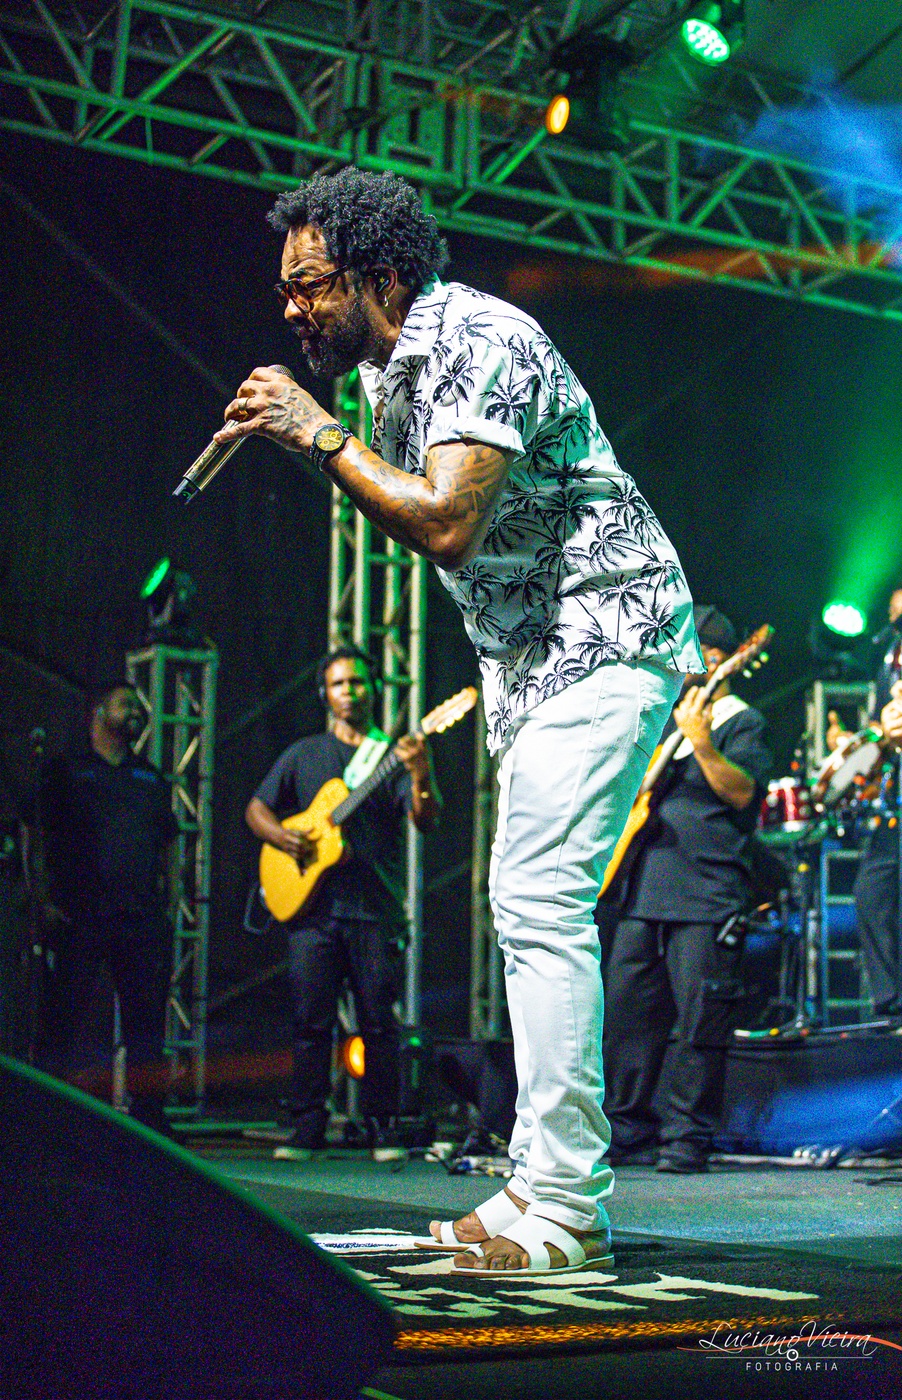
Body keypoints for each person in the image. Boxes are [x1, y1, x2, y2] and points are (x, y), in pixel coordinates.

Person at [214, 167, 701, 1275]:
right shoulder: (389, 376)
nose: (290, 308)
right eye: (286, 288)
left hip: (604, 633)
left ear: (382, 276)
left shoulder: (478, 338)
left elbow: (444, 524)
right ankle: (535, 1178)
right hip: (535, 665)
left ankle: (568, 1202)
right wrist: (326, 433)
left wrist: (316, 434)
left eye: (310, 284)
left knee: (537, 898)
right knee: (525, 906)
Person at [245, 646, 440, 1156]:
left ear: (374, 689)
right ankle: (307, 1127)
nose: (349, 691)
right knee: (311, 1023)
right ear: (324, 694)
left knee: (379, 1022)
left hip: (374, 910)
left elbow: (425, 819)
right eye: (338, 684)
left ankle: (382, 1126)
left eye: (357, 682)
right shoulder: (304, 754)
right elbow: (256, 809)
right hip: (312, 913)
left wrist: (420, 773)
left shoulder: (391, 756)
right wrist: (285, 839)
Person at [599, 606, 771, 1174]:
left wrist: (703, 743)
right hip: (642, 894)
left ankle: (686, 1138)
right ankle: (626, 1129)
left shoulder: (742, 721)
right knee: (628, 1020)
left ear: (713, 658)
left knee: (700, 1024)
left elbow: (742, 793)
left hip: (707, 896)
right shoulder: (665, 725)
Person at [33, 684, 177, 1130]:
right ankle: (42, 1113)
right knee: (62, 1017)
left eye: (138, 707)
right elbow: (33, 832)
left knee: (146, 1023)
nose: (135, 712)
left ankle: (148, 1118)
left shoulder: (149, 777)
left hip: (139, 917)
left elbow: (169, 842)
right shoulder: (66, 770)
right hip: (80, 914)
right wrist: (41, 898)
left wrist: (171, 901)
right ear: (99, 711)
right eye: (125, 704)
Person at [826, 585, 902, 1021]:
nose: (897, 616)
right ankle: (891, 1004)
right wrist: (852, 748)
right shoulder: (894, 658)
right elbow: (881, 728)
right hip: (900, 800)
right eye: (891, 610)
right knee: (872, 893)